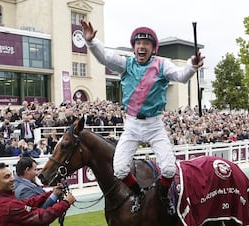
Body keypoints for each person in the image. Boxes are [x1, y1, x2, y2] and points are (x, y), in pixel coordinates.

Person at [81, 19, 205, 214]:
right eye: (138, 43)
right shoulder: (126, 64)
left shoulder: (162, 64)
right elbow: (105, 57)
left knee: (169, 169)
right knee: (120, 169)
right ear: (134, 47)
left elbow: (181, 76)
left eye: (146, 44)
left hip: (154, 125)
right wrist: (90, 42)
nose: (141, 46)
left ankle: (163, 197)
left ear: (153, 48)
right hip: (131, 125)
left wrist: (192, 66)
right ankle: (138, 194)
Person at [0, 162, 76, 226]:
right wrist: (66, 203)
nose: (12, 179)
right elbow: (43, 217)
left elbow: (28, 202)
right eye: (7, 177)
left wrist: (51, 193)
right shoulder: (10, 205)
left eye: (11, 175)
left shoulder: (3, 199)